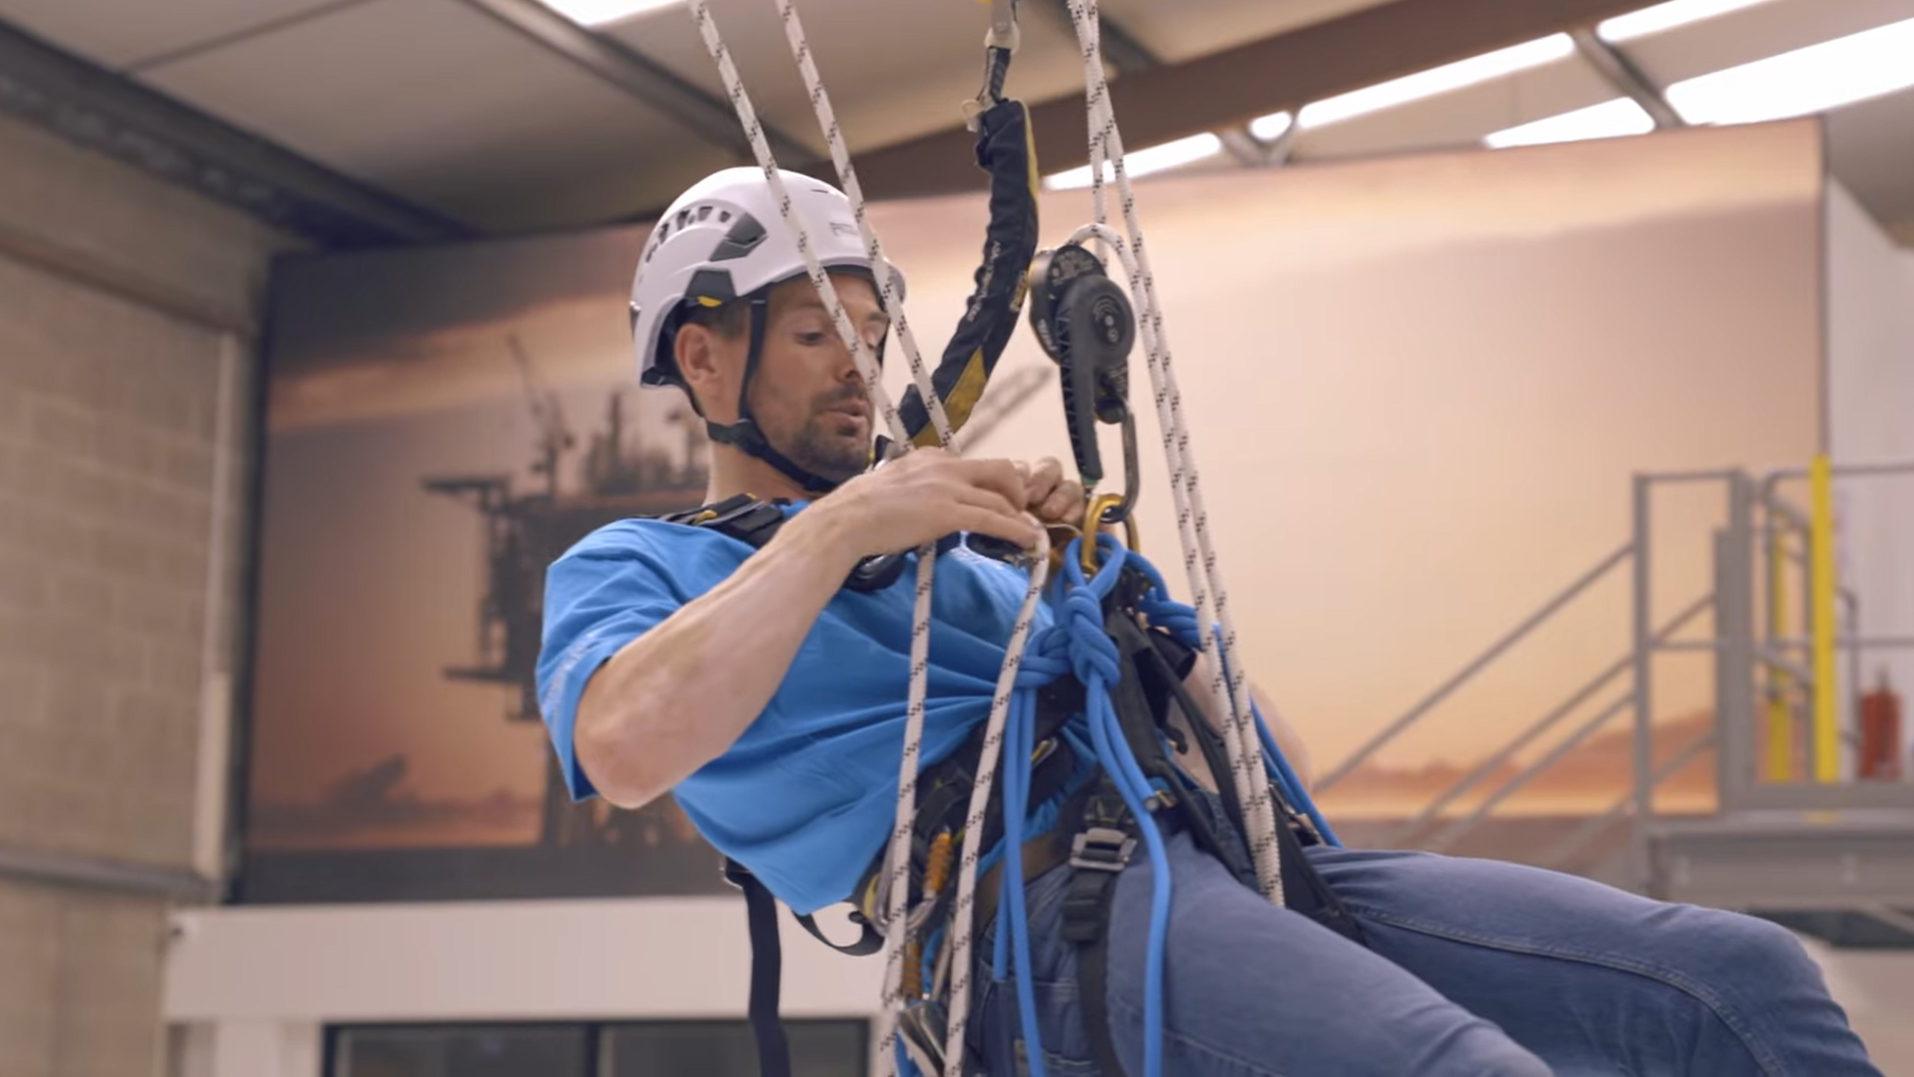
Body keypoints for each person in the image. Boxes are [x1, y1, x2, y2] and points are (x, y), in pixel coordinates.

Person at [535, 167, 1879, 1077]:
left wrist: (1116, 588)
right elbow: (626, 742)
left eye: (869, 329)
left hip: (1220, 854)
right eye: (815, 330)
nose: (859, 364)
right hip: (1033, 915)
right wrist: (840, 527)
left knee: (1742, 982)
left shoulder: (977, 562)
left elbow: (1266, 761)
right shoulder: (638, 567)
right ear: (702, 357)